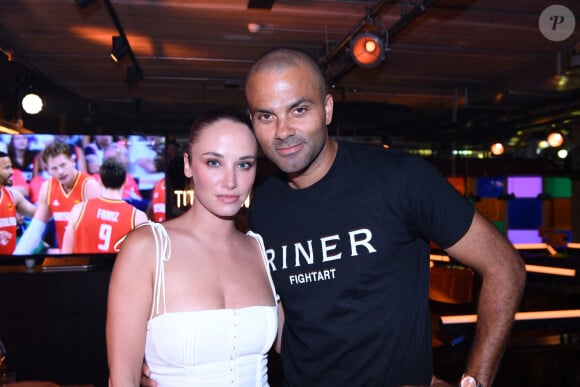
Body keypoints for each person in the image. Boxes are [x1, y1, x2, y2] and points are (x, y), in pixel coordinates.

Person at [141, 49, 526, 387]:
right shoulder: (263, 206)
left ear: (327, 108)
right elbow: (271, 319)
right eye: (266, 116)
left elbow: (505, 266)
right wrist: (174, 361)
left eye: (299, 109)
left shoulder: (400, 178)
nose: (283, 131)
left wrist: (474, 380)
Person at [107, 109, 278, 386]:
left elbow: (303, 341)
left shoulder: (260, 249)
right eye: (213, 162)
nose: (231, 181)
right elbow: (122, 379)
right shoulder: (148, 248)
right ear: (188, 165)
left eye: (244, 164)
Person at [14, 140, 102, 254]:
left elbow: (95, 232)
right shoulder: (47, 188)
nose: (60, 172)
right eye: (54, 168)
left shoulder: (89, 186)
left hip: (88, 256)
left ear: (72, 160)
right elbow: (35, 229)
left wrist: (66, 253)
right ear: (47, 169)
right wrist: (17, 256)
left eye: (63, 165)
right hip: (64, 257)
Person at [60, 157, 148, 254]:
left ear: (100, 181)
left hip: (85, 268)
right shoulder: (137, 217)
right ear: (125, 182)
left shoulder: (79, 210)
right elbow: (142, 259)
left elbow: (65, 255)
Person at [0, 151, 37, 254]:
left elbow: (38, 213)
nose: (12, 172)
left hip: (10, 266)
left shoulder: (13, 195)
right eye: (7, 168)